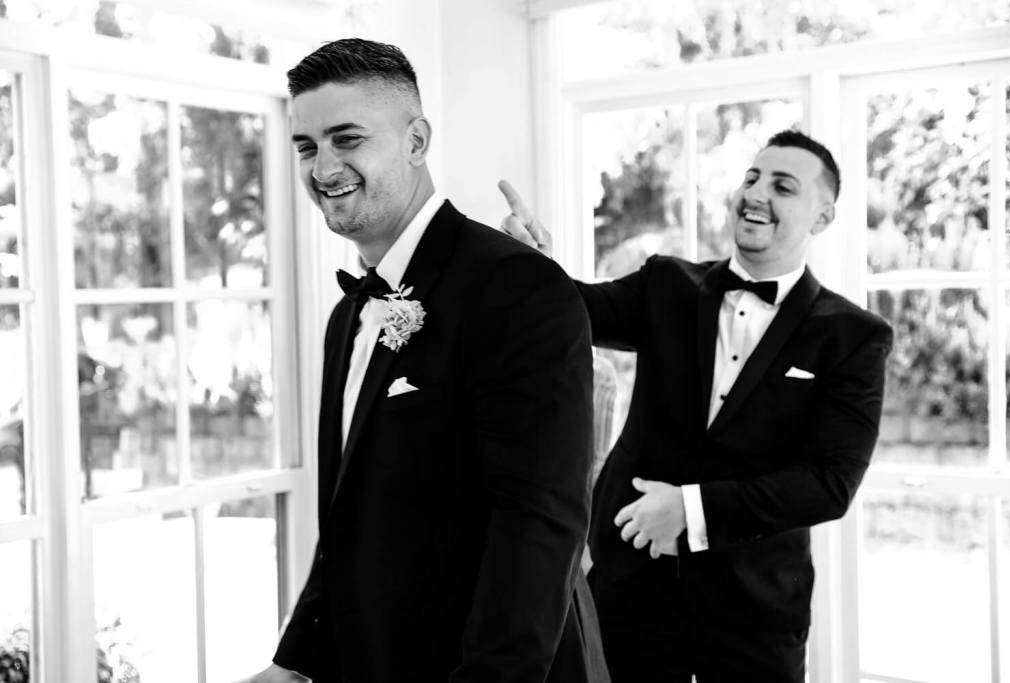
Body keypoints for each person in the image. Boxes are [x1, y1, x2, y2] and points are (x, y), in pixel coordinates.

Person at [247, 39, 608, 683]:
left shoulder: (515, 287)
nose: (323, 167)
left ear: (416, 142)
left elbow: (538, 528)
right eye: (307, 146)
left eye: (347, 138)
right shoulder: (348, 316)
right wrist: (294, 661)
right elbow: (348, 526)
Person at [499, 130, 893, 682]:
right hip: (630, 584)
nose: (756, 194)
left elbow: (829, 482)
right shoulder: (667, 284)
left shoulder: (853, 336)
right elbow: (570, 309)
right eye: (752, 178)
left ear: (822, 217)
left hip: (754, 605)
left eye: (783, 186)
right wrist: (527, 263)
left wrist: (691, 510)